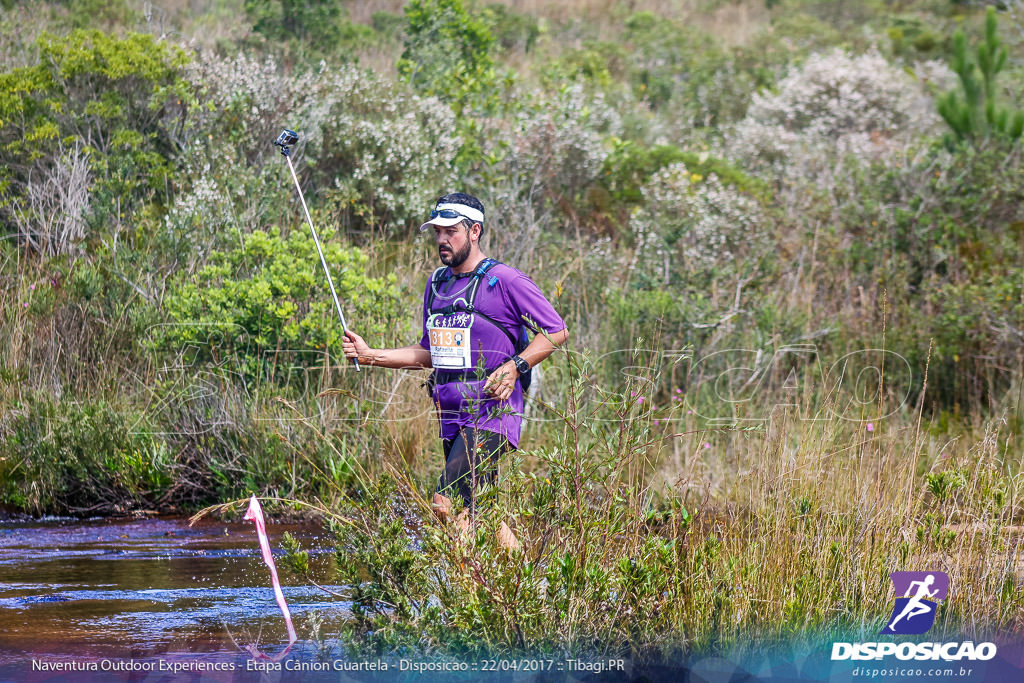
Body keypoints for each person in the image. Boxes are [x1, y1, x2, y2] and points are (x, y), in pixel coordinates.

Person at [341, 193, 569, 550]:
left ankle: (468, 598)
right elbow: (429, 352)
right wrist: (371, 355)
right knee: (481, 512)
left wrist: (515, 365)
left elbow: (557, 331)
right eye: (437, 232)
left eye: (451, 231)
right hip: (450, 414)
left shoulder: (504, 280)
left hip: (492, 413)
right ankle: (525, 592)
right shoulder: (437, 285)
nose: (442, 240)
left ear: (474, 231)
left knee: (445, 505)